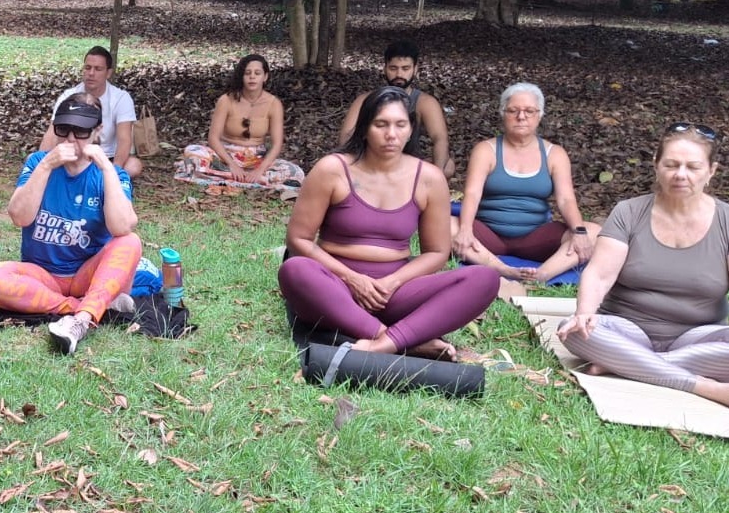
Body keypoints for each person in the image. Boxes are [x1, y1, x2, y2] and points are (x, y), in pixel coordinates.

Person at [280, 87, 497, 359]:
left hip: (395, 291)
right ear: (364, 128)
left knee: (484, 278)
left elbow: (437, 252)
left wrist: (392, 282)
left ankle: (385, 342)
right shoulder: (332, 169)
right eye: (380, 124)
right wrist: (354, 279)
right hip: (338, 287)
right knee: (295, 270)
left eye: (400, 125)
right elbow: (298, 240)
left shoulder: (429, 178)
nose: (391, 134)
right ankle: (404, 340)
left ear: (411, 129)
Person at [558, 123, 729, 406]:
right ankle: (704, 387)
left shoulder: (726, 221)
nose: (680, 175)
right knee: (573, 330)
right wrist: (584, 313)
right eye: (671, 164)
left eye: (693, 167)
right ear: (656, 165)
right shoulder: (629, 211)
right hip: (626, 330)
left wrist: (621, 360)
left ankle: (625, 365)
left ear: (711, 171)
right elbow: (599, 275)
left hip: (697, 338)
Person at [0, 96, 141, 355]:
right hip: (43, 275)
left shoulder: (110, 175)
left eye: (80, 131)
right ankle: (81, 309)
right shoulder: (38, 163)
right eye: (63, 130)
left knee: (130, 241)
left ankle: (82, 318)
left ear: (97, 131)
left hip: (86, 273)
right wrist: (47, 164)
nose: (70, 139)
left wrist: (107, 168)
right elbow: (19, 217)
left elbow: (121, 227)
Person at [453, 83, 599, 286]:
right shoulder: (485, 150)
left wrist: (579, 232)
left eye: (529, 111)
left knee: (595, 233)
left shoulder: (554, 154)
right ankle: (501, 269)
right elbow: (472, 193)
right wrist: (466, 229)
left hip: (535, 237)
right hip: (487, 235)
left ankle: (541, 275)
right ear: (503, 113)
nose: (521, 117)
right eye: (514, 111)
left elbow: (566, 200)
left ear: (539, 115)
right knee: (445, 224)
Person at [176, 54, 304, 190]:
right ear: (241, 77)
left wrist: (259, 170)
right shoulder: (226, 100)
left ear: (265, 77)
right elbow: (213, 138)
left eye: (257, 73)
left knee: (294, 172)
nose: (252, 77)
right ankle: (247, 178)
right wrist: (232, 165)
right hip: (225, 158)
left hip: (257, 159)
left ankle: (236, 177)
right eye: (247, 73)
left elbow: (277, 143)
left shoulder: (274, 104)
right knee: (193, 153)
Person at [337, 40, 454, 178]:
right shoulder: (366, 100)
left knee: (448, 166)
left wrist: (437, 175)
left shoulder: (424, 102)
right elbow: (346, 136)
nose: (399, 74)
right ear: (385, 68)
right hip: (371, 161)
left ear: (415, 69)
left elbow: (440, 138)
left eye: (405, 68)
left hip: (408, 164)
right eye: (393, 68)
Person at [39, 46, 142, 177]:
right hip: (73, 154)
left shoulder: (121, 98)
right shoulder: (69, 96)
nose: (91, 73)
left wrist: (113, 173)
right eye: (88, 68)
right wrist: (43, 163)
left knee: (133, 166)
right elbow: (52, 132)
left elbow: (124, 140)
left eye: (98, 69)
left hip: (105, 157)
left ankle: (104, 179)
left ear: (108, 73)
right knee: (34, 159)